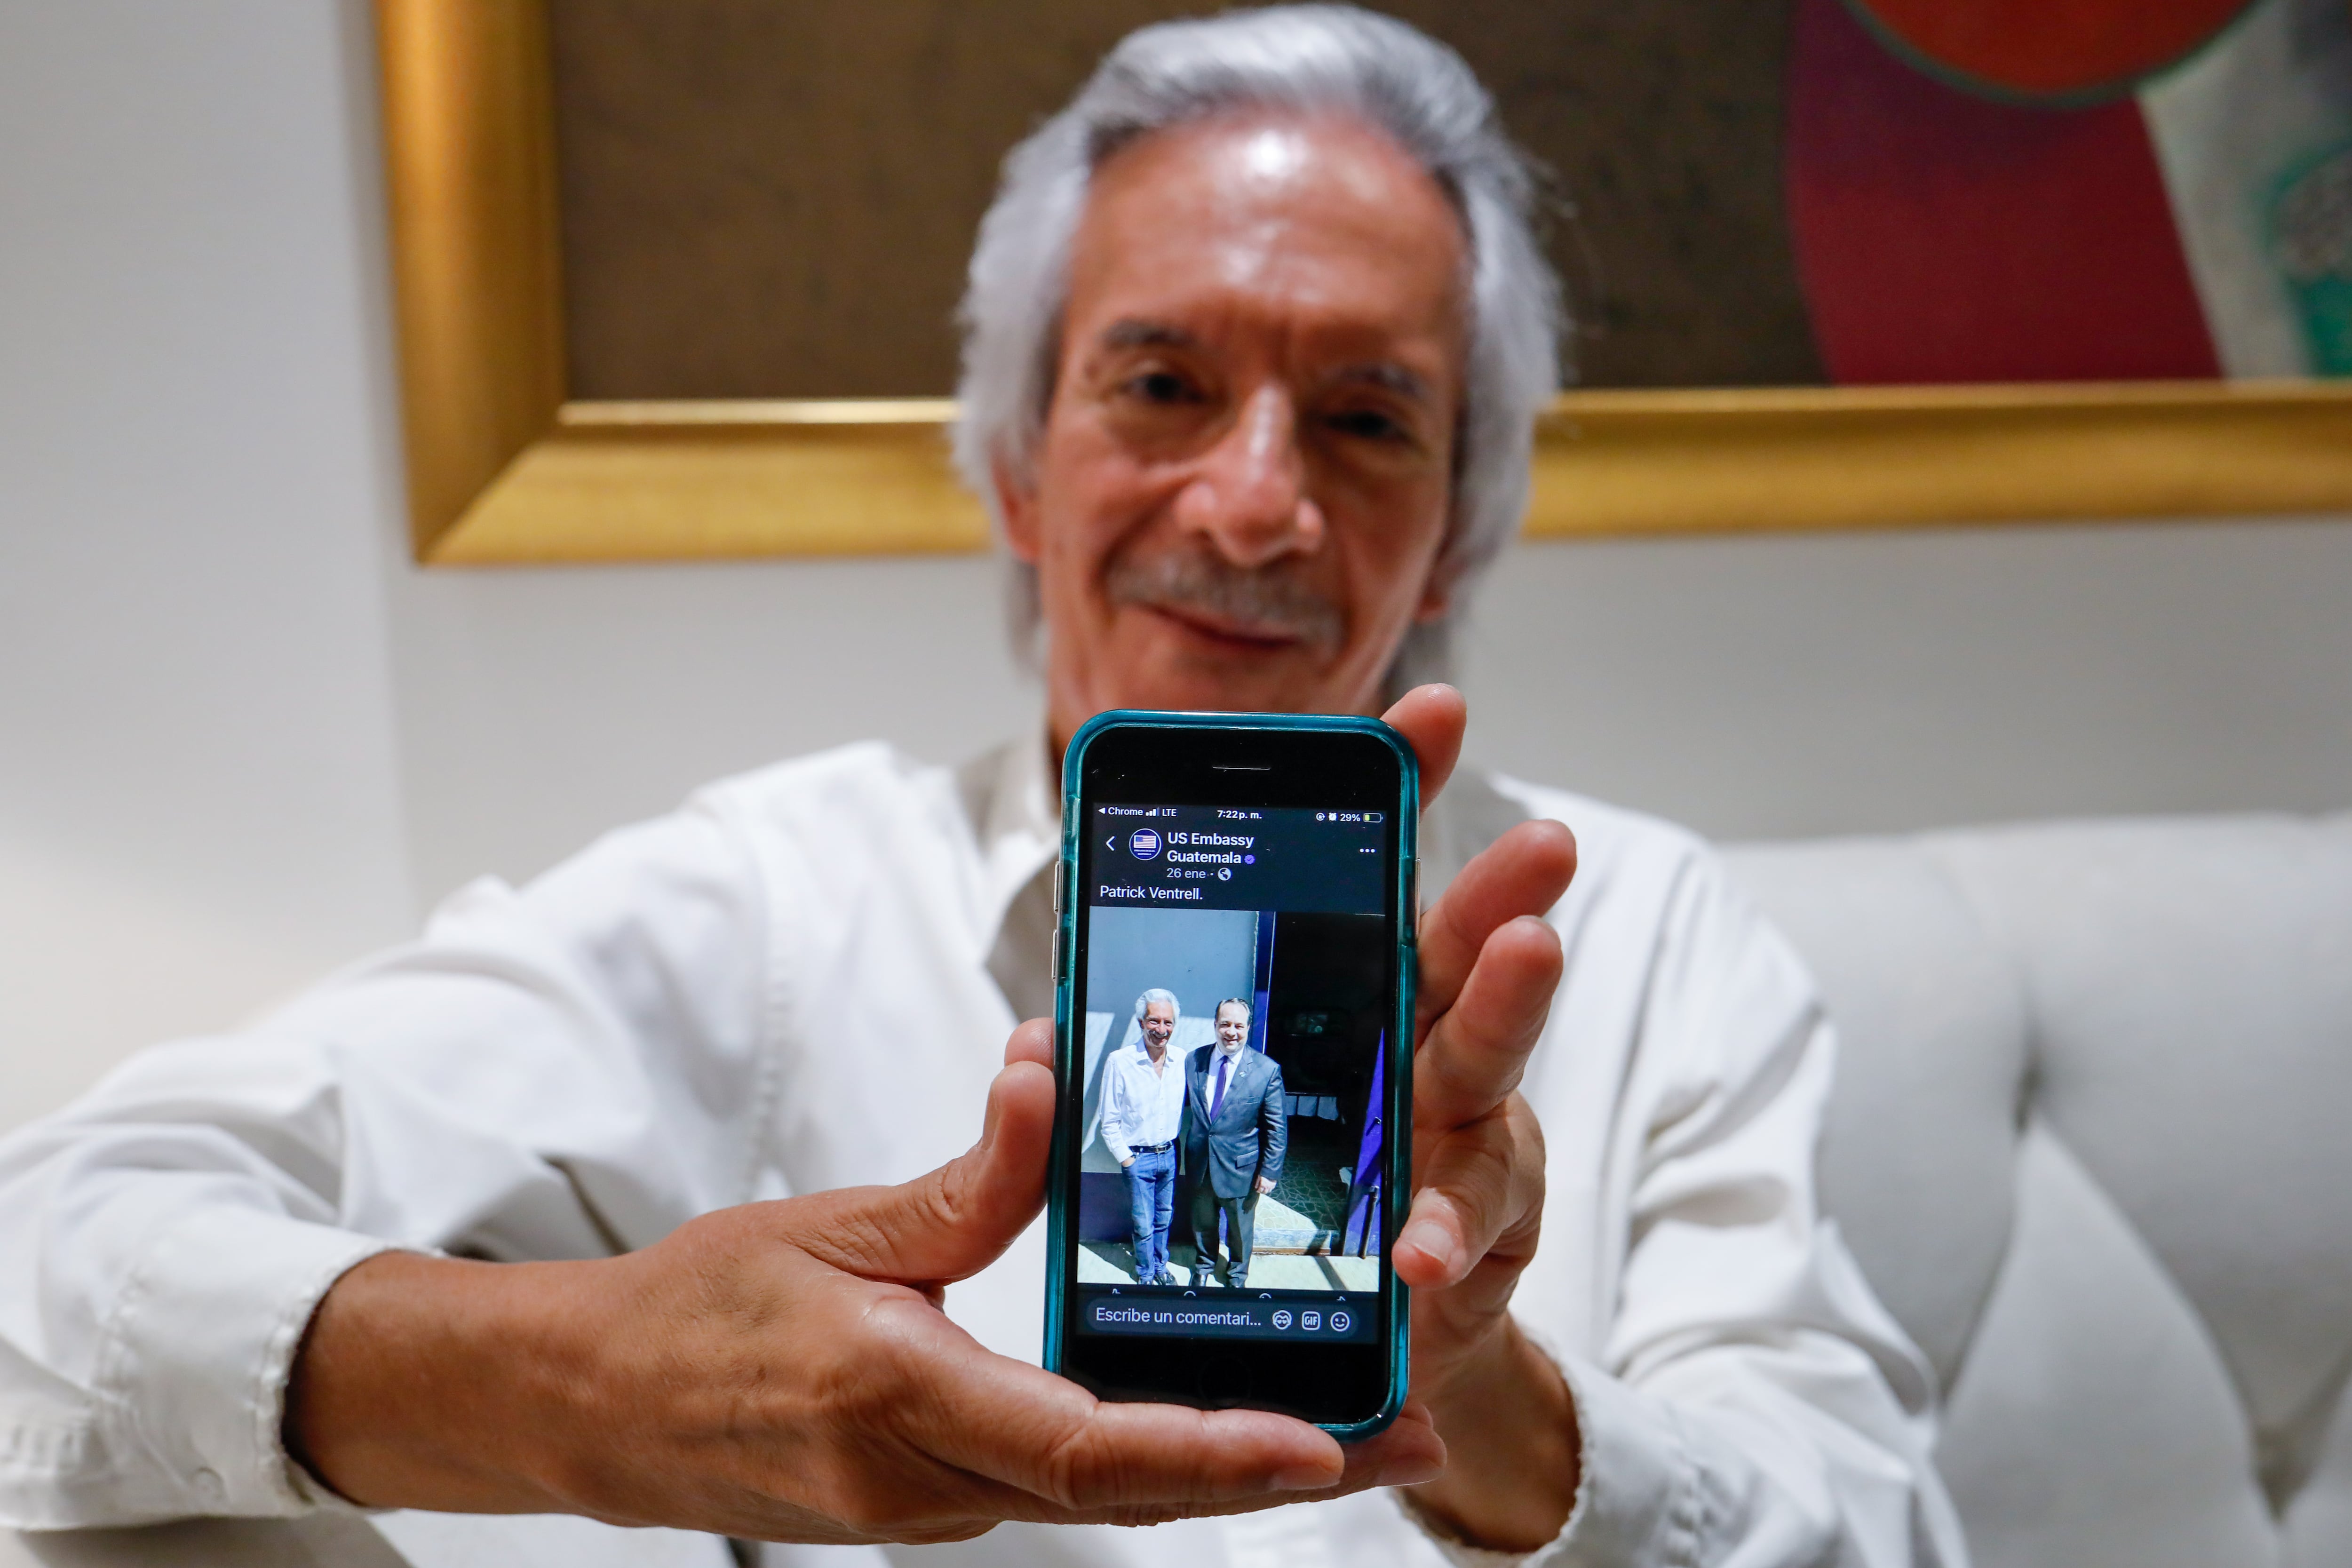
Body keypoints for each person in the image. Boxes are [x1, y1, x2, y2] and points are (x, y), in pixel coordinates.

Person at [0, 8, 1964, 1565]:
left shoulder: (1639, 928)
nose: (1257, 499)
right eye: (1159, 384)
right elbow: (54, 1244)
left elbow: (1877, 1521)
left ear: (1451, 531)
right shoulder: (776, 907)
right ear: (1020, 470)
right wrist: (593, 1389)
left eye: (1369, 416)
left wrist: (1491, 1398)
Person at [1184, 999, 1285, 1289]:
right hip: (1200, 1163)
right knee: (1203, 1223)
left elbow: (1277, 1127)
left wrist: (1270, 1171)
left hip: (1242, 1169)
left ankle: (1237, 1275)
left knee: (1240, 1229)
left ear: (1248, 1028)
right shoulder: (1194, 1060)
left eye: (1239, 1026)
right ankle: (1204, 1266)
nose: (1232, 1032)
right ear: (1215, 1026)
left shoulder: (1266, 1070)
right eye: (1225, 1024)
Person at [1098, 989, 1189, 1285]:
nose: (1161, 1030)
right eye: (1154, 1021)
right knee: (1143, 1222)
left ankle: (1161, 1267)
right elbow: (1108, 1120)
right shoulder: (1119, 1062)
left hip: (1170, 1153)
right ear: (1141, 1022)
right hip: (1138, 1157)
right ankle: (1146, 1273)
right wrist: (1128, 1160)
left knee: (1164, 1218)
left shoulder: (1181, 1060)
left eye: (1168, 1023)